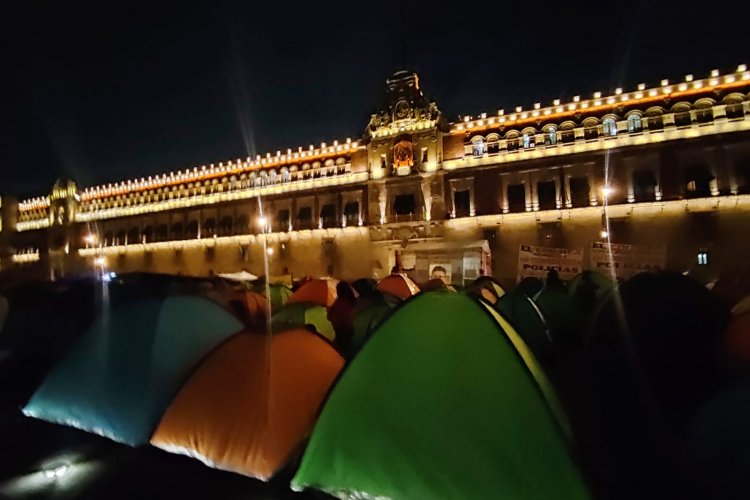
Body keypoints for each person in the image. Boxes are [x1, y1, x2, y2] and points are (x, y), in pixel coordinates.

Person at [328, 282, 357, 355]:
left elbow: (330, 317)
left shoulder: (337, 303)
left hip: (340, 331)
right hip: (352, 330)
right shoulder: (354, 301)